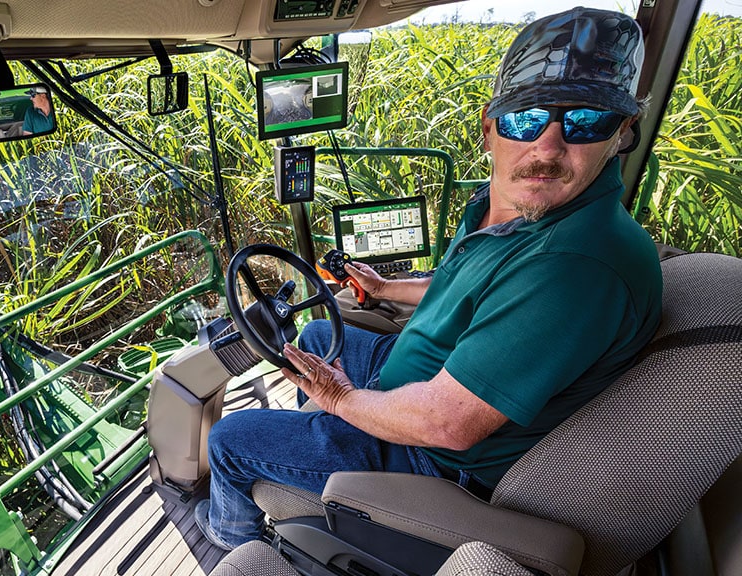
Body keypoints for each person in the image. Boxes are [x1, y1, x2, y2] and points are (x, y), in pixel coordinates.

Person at [194, 7, 663, 551]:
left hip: (434, 459)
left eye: (586, 121)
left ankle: (232, 535)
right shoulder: (516, 210)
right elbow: (474, 288)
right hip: (427, 377)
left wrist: (341, 400)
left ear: (623, 135)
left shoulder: (576, 265)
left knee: (228, 439)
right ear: (490, 129)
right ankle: (315, 459)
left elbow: (449, 425)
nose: (548, 147)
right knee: (319, 336)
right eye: (524, 120)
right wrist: (389, 289)